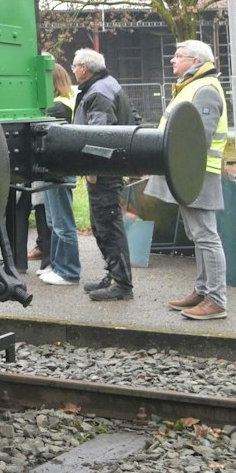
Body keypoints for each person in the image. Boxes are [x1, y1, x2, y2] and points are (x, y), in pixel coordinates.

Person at [162, 40, 231, 321]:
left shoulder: (203, 89)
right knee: (199, 235)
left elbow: (198, 137)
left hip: (196, 173)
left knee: (205, 235)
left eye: (178, 56)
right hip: (190, 172)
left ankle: (215, 299)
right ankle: (203, 291)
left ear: (195, 61)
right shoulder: (194, 86)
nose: (172, 61)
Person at [71, 48, 136, 301]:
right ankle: (113, 274)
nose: (73, 69)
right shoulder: (106, 85)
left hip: (104, 172)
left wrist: (93, 171)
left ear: (84, 68)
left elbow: (99, 136)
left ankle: (121, 283)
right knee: (102, 225)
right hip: (110, 169)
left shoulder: (98, 92)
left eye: (75, 66)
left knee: (108, 225)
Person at [36, 62, 83, 285]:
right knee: (55, 221)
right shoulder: (68, 99)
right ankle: (57, 266)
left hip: (58, 171)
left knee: (62, 223)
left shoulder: (57, 107)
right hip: (59, 170)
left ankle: (68, 271)